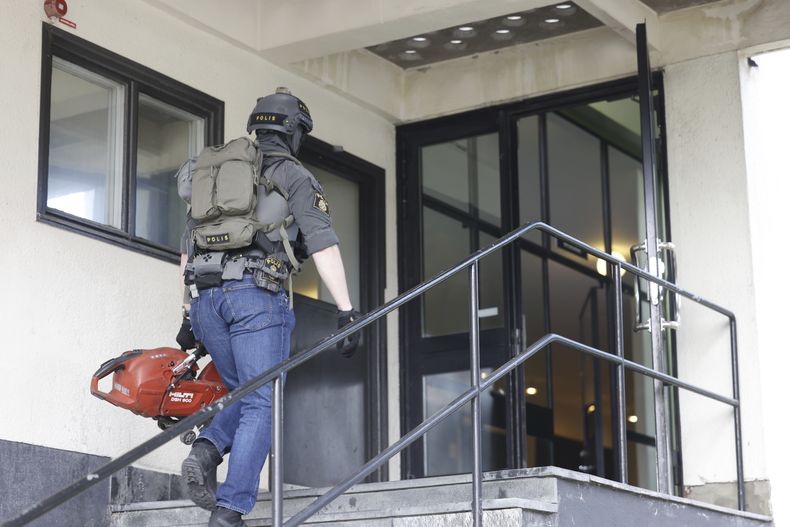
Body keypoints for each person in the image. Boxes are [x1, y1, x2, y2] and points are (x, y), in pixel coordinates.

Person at [175, 87, 360, 527]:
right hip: (256, 297)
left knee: (245, 391)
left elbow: (187, 249)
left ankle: (208, 449)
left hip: (206, 300)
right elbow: (322, 244)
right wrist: (347, 311)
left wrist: (186, 313)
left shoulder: (217, 174)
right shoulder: (295, 175)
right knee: (262, 402)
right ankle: (229, 510)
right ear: (294, 132)